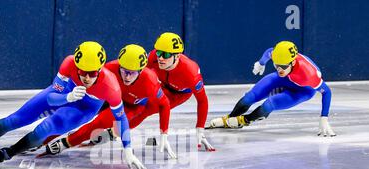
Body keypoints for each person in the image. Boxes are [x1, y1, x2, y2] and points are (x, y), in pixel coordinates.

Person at [0, 41, 148, 169]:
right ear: (75, 65)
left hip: (83, 109)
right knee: (12, 121)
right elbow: (51, 99)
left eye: (92, 73)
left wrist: (128, 150)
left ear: (100, 70)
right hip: (62, 96)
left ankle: (9, 152)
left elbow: (121, 119)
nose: (86, 77)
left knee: (44, 130)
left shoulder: (111, 87)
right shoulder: (68, 64)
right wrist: (67, 97)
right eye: (81, 71)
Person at [40, 44, 177, 159]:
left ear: (141, 71)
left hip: (131, 107)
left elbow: (165, 104)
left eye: (132, 73)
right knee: (76, 114)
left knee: (99, 122)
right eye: (124, 71)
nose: (127, 77)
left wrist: (164, 134)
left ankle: (66, 143)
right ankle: (42, 139)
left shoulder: (151, 82)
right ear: (119, 66)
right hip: (110, 97)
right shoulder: (110, 68)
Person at [207, 41, 336, 137]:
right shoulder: (280, 58)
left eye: (283, 67)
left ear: (293, 63)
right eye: (276, 65)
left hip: (302, 90)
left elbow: (327, 92)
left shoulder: (309, 75)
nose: (279, 70)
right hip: (287, 79)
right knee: (249, 97)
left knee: (269, 104)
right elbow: (269, 52)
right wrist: (261, 63)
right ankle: (230, 119)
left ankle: (244, 120)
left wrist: (324, 117)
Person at [128, 32, 216, 151]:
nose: (160, 58)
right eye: (159, 52)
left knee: (147, 108)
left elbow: (202, 100)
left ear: (178, 56)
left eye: (166, 54)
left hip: (178, 94)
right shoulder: (153, 57)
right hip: (162, 84)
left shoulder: (191, 73)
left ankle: (116, 131)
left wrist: (200, 128)